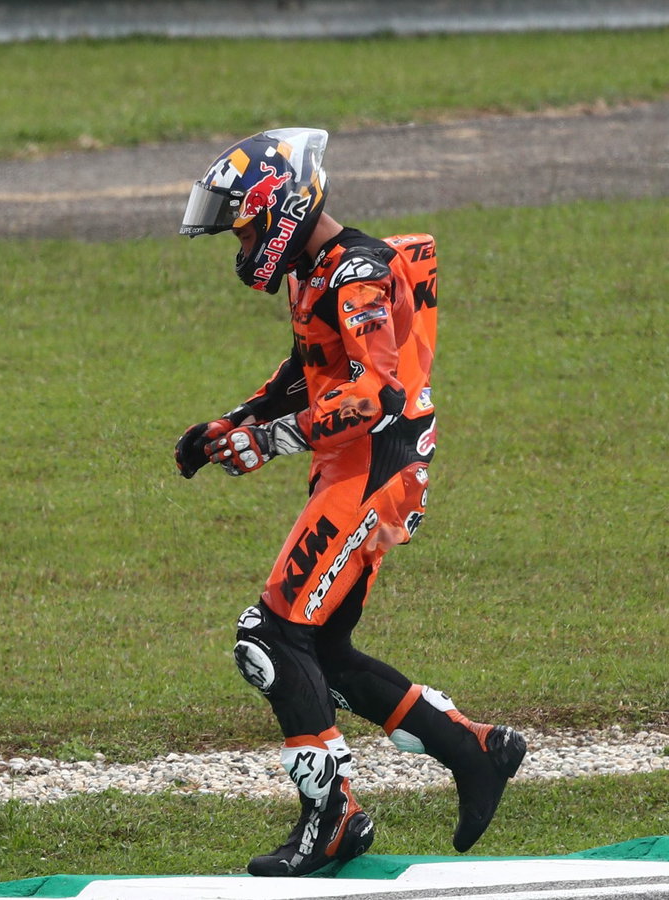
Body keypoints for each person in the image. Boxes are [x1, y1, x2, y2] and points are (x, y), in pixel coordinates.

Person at [172, 127, 526, 877]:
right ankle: (474, 749)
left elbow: (376, 389)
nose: (239, 247)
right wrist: (234, 423)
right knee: (321, 651)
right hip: (351, 466)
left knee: (268, 638)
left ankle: (333, 818)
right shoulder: (316, 270)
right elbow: (309, 368)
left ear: (285, 208)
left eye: (243, 226)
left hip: (372, 471)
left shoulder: (354, 273)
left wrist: (270, 441)